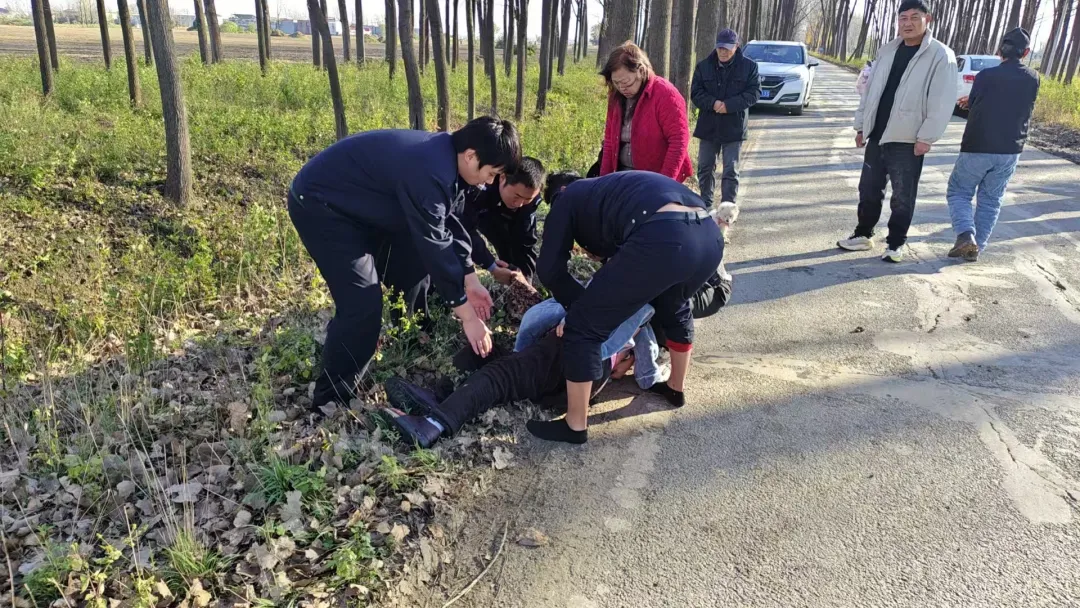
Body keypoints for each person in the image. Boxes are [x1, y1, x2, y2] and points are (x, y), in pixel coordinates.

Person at [288, 117, 521, 409]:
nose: (489, 183)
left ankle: (411, 334)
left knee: (411, 267)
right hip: (323, 205)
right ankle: (330, 399)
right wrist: (469, 317)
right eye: (491, 173)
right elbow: (434, 243)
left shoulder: (452, 161)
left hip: (369, 207)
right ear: (472, 156)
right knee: (362, 305)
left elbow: (453, 222)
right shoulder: (430, 169)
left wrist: (470, 279)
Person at [530, 171, 724, 443]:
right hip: (709, 237)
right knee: (673, 304)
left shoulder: (565, 199)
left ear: (557, 195)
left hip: (666, 236)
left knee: (583, 325)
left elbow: (549, 270)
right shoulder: (611, 188)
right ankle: (675, 388)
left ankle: (574, 425)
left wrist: (580, 307)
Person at [380, 304, 659, 448]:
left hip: (571, 351)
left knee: (502, 374)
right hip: (568, 387)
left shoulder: (634, 297)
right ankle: (438, 399)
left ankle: (432, 425)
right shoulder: (644, 324)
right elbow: (647, 375)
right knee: (481, 351)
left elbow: (546, 316)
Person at [838, 0, 957, 263]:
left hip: (909, 138)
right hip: (877, 134)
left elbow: (942, 101)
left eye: (915, 17)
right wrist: (861, 126)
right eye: (903, 18)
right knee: (868, 188)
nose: (908, 23)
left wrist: (927, 137)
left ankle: (895, 243)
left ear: (929, 20)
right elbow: (869, 93)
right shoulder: (888, 51)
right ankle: (863, 234)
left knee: (903, 195)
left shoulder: (940, 55)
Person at [945, 28, 1039, 262]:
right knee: (991, 200)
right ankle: (977, 248)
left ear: (999, 51)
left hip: (978, 145)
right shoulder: (1033, 78)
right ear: (1025, 52)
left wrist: (968, 103)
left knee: (959, 191)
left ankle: (966, 235)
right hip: (1010, 149)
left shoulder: (985, 76)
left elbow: (975, 105)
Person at [598, 42, 693, 183]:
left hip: (656, 178)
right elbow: (610, 142)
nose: (622, 88)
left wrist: (664, 183)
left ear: (641, 71)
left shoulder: (665, 94)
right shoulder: (616, 97)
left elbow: (679, 141)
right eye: (617, 83)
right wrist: (603, 181)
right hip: (622, 175)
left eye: (627, 83)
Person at [690, 28, 761, 207]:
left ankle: (727, 208)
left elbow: (754, 93)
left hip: (734, 127)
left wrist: (729, 105)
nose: (723, 52)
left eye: (727, 48)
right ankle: (705, 204)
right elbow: (696, 93)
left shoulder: (749, 67)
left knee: (730, 169)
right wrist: (712, 103)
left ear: (736, 47)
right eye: (720, 48)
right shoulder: (703, 66)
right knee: (705, 168)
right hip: (709, 126)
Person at [461, 157, 546, 283]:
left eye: (527, 199)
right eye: (517, 196)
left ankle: (518, 285)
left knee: (518, 249)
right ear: (502, 178)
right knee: (499, 242)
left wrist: (526, 281)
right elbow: (465, 230)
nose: (520, 204)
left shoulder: (530, 197)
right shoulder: (480, 188)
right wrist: (490, 264)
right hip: (485, 213)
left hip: (512, 217)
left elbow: (525, 242)